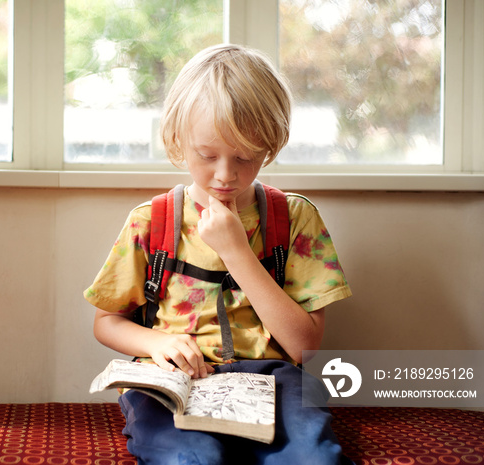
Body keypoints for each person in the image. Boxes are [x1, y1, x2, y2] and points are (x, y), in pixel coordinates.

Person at [84, 43, 353, 465]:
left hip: (274, 381)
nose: (225, 175)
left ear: (271, 144)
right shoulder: (151, 222)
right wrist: (157, 341)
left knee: (312, 460)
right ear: (177, 140)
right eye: (207, 156)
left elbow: (303, 348)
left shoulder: (294, 218)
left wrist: (236, 252)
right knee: (190, 460)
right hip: (171, 383)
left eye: (245, 157)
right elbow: (107, 323)